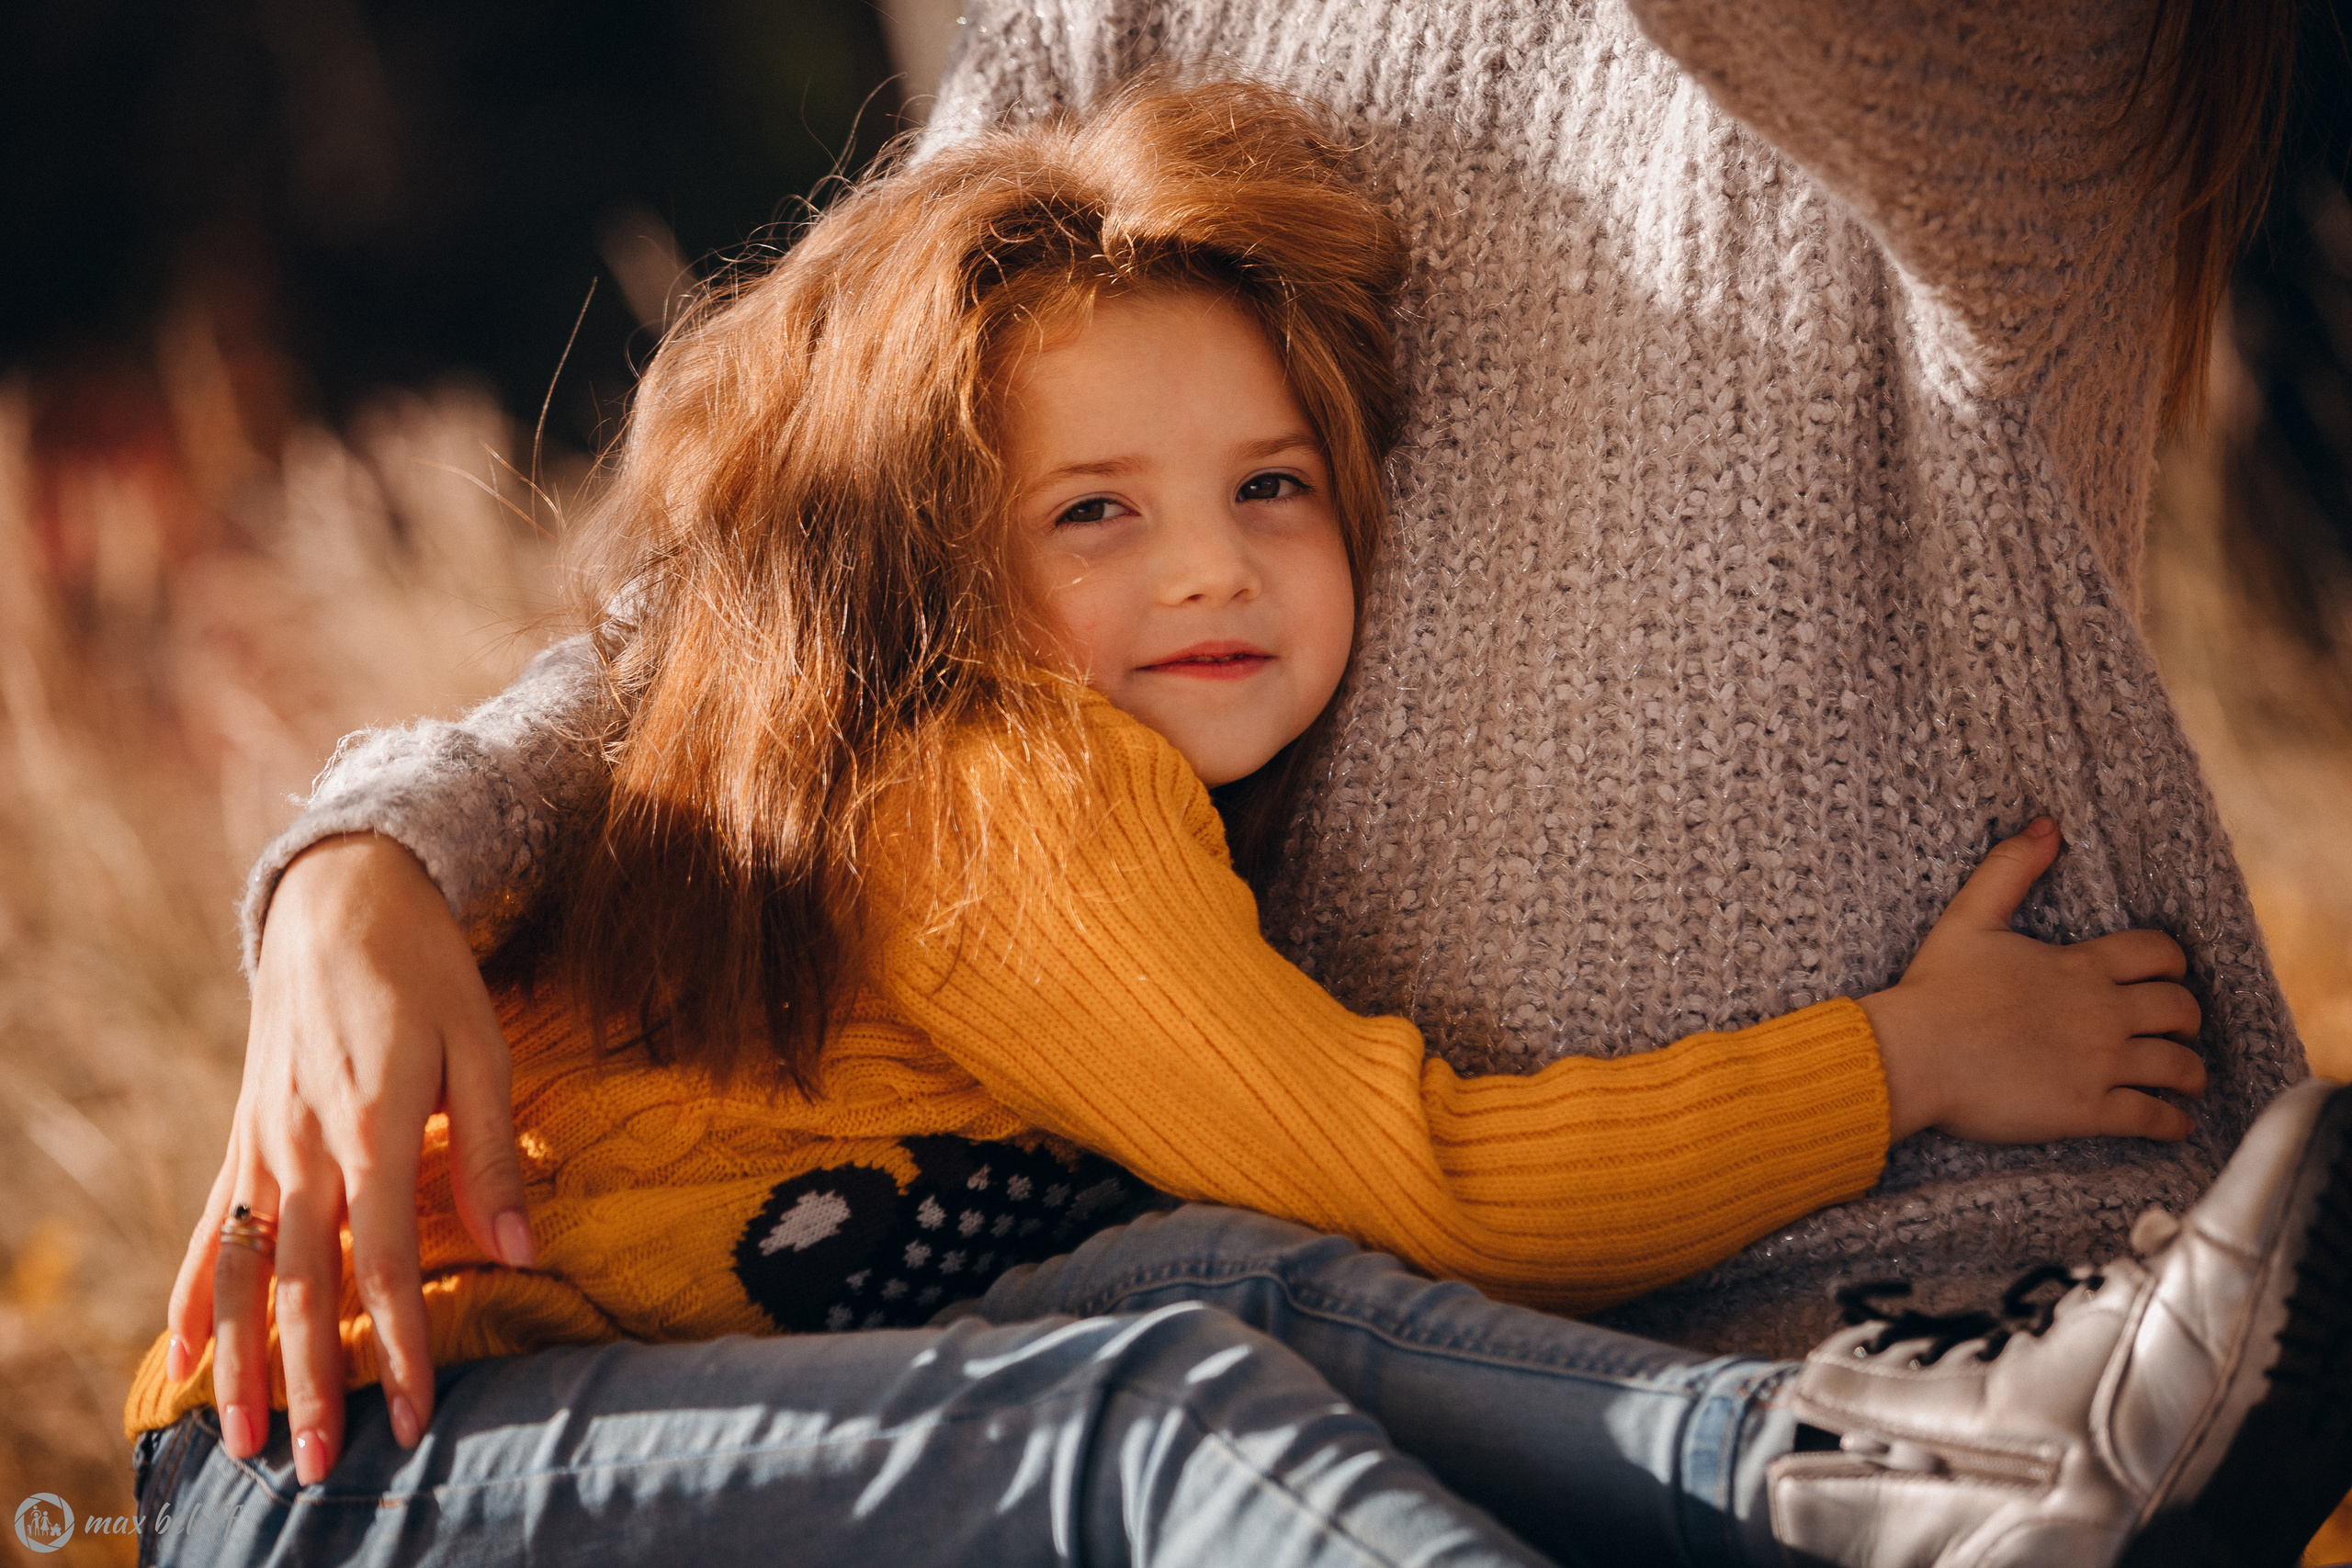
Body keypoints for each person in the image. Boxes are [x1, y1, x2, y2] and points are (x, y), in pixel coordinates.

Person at [130, 79, 2352, 1568]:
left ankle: (1908, 1486)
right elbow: (1421, 1171)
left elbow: (1301, 1226)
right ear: (925, 561)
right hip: (346, 1463)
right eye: (1095, 510)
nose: (1206, 569)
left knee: (1203, 1273)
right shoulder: (1002, 778)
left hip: (528, 1419)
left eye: (1264, 488)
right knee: (1159, 1395)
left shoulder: (921, 772)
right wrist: (1903, 1057)